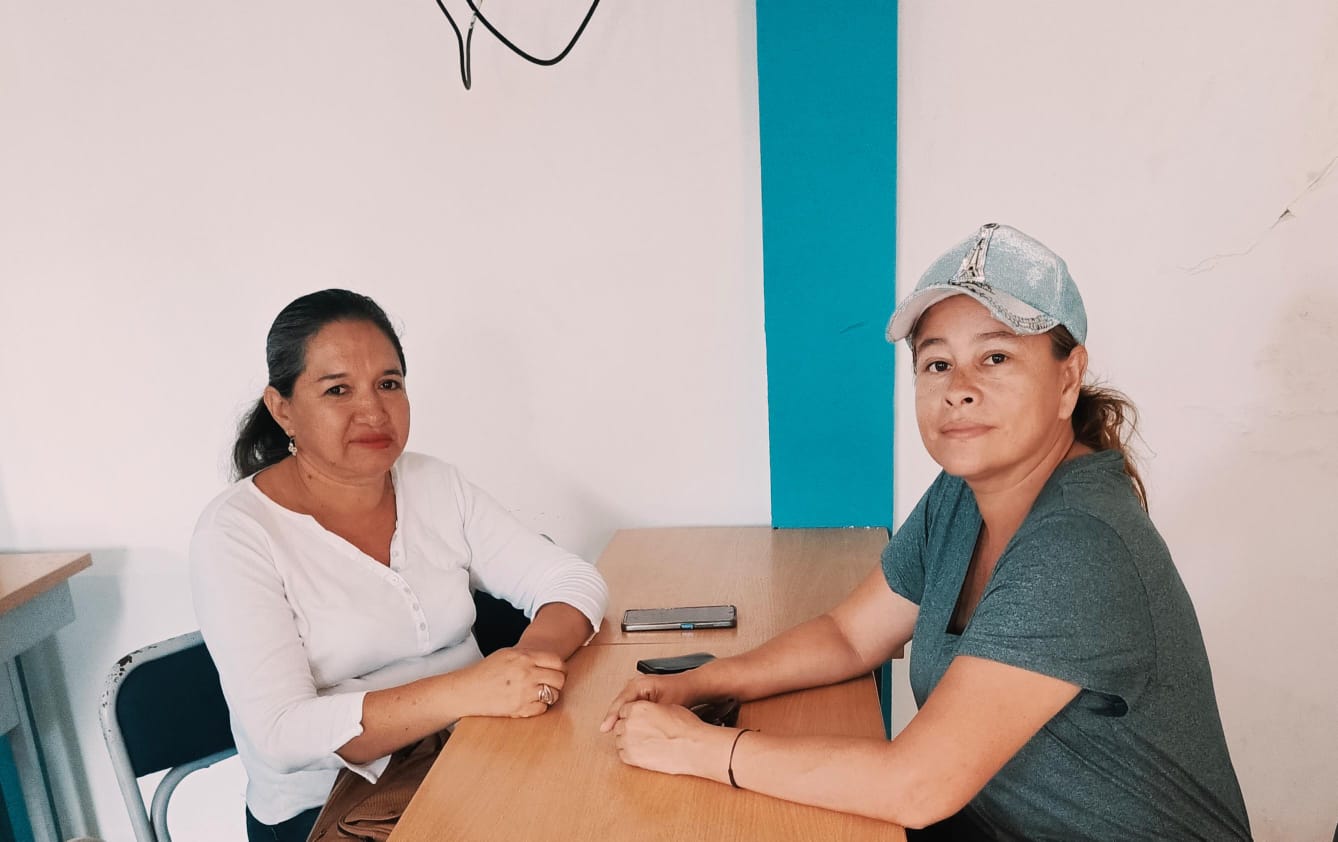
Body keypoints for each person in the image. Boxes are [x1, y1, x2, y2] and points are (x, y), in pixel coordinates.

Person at [601, 223, 1252, 841]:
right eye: (937, 363)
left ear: (1067, 378)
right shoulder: (963, 495)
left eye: (995, 356)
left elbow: (917, 786)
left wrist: (699, 748)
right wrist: (707, 682)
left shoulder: (1079, 546)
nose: (959, 389)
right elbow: (850, 636)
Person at [190, 289, 608, 842]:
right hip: (331, 810)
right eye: (338, 389)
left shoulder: (435, 484)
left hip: (477, 753)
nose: (373, 411)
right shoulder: (235, 533)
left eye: (389, 384)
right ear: (282, 408)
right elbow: (281, 733)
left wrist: (527, 664)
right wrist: (471, 690)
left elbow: (571, 579)